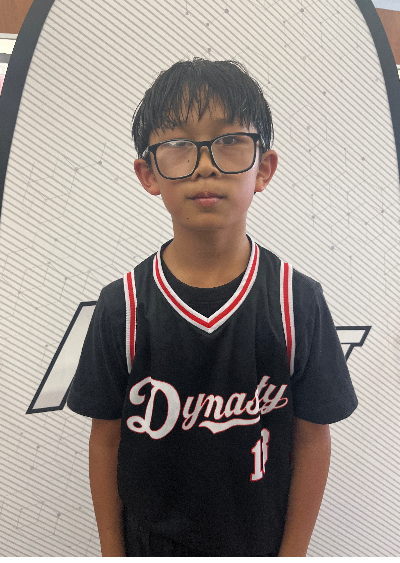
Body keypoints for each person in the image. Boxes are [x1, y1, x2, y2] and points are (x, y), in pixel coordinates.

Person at [67, 58, 358, 557]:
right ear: (148, 173)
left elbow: (313, 439)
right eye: (179, 144)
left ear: (263, 168)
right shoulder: (123, 307)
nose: (205, 164)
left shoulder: (297, 301)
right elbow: (106, 440)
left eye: (229, 141)